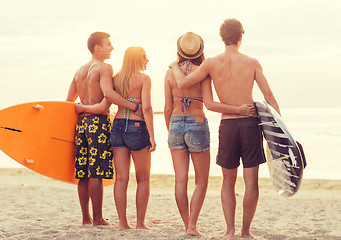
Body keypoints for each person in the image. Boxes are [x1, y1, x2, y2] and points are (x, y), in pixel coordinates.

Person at [169, 19, 280, 238]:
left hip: (228, 125)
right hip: (249, 124)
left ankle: (230, 231)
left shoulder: (211, 64)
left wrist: (174, 65)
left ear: (221, 38)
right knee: (251, 181)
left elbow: (186, 86)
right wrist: (278, 130)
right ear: (241, 36)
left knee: (228, 180)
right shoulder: (252, 62)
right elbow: (269, 96)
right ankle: (245, 232)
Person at [165, 32, 256, 236]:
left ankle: (186, 223)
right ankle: (193, 226)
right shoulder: (203, 71)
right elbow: (208, 102)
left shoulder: (170, 73)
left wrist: (171, 130)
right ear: (200, 50)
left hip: (175, 124)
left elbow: (167, 107)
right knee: (201, 180)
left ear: (179, 50)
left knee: (180, 180)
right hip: (197, 123)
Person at [76, 46, 156, 230]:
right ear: (137, 59)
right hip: (137, 128)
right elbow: (148, 109)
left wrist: (83, 108)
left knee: (121, 179)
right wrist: (152, 135)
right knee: (143, 179)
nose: (148, 60)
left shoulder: (115, 79)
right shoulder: (144, 79)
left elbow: (107, 101)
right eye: (145, 56)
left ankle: (122, 223)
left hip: (117, 127)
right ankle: (140, 223)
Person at [66, 32, 140, 226]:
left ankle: (85, 218)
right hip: (98, 123)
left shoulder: (79, 71)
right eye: (108, 44)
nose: (112, 48)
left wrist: (81, 109)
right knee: (96, 171)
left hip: (81, 124)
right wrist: (133, 107)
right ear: (97, 48)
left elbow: (68, 102)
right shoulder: (105, 67)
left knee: (82, 171)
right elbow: (105, 100)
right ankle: (98, 218)